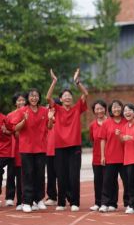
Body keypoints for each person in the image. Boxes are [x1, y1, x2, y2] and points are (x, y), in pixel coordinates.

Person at [46, 68, 88, 212]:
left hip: (74, 147)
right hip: (59, 147)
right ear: (61, 99)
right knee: (61, 175)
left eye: (69, 95)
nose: (68, 98)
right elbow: (47, 98)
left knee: (74, 175)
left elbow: (85, 94)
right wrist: (54, 81)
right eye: (65, 96)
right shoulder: (56, 109)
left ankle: (75, 202)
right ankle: (61, 202)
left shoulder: (77, 108)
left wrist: (77, 81)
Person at [13, 89, 53, 213]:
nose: (34, 98)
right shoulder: (22, 110)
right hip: (26, 148)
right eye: (31, 96)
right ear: (28, 98)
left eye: (36, 96)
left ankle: (38, 199)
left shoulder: (44, 111)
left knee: (40, 175)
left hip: (40, 148)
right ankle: (27, 201)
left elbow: (49, 127)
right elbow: (15, 128)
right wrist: (24, 120)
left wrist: (50, 118)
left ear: (39, 98)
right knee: (28, 174)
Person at [98, 100, 126, 212]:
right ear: (110, 110)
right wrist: (102, 156)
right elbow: (103, 140)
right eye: (114, 107)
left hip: (125, 157)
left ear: (122, 108)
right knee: (108, 181)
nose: (116, 109)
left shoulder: (126, 122)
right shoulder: (106, 123)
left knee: (127, 181)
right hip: (110, 156)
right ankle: (107, 203)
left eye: (118, 107)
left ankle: (129, 203)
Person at [5, 92, 26, 209]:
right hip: (12, 147)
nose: (21, 102)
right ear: (15, 102)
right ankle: (9, 197)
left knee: (21, 174)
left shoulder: (27, 114)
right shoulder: (10, 115)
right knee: (10, 173)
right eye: (19, 100)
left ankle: (22, 199)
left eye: (23, 100)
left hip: (23, 147)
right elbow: (8, 131)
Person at [119, 103, 134, 214]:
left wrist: (131, 137)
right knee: (130, 183)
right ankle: (132, 204)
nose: (127, 112)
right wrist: (120, 136)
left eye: (129, 110)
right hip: (128, 158)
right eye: (125, 111)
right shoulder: (124, 126)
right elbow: (122, 140)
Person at [89, 100, 108, 211]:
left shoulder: (110, 122)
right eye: (97, 109)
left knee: (109, 180)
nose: (99, 111)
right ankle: (98, 202)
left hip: (110, 156)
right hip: (96, 156)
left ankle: (110, 202)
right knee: (98, 180)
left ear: (105, 109)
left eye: (101, 108)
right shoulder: (92, 125)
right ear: (94, 111)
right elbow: (92, 139)